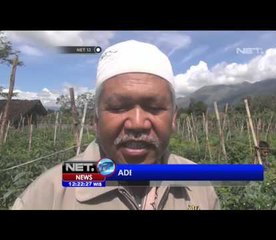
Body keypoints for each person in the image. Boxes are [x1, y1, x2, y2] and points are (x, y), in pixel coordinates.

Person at [11, 40, 220, 210]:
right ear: (96, 120)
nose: (137, 124)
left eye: (154, 107)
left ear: (174, 118)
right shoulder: (49, 196)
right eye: (119, 107)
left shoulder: (199, 185)